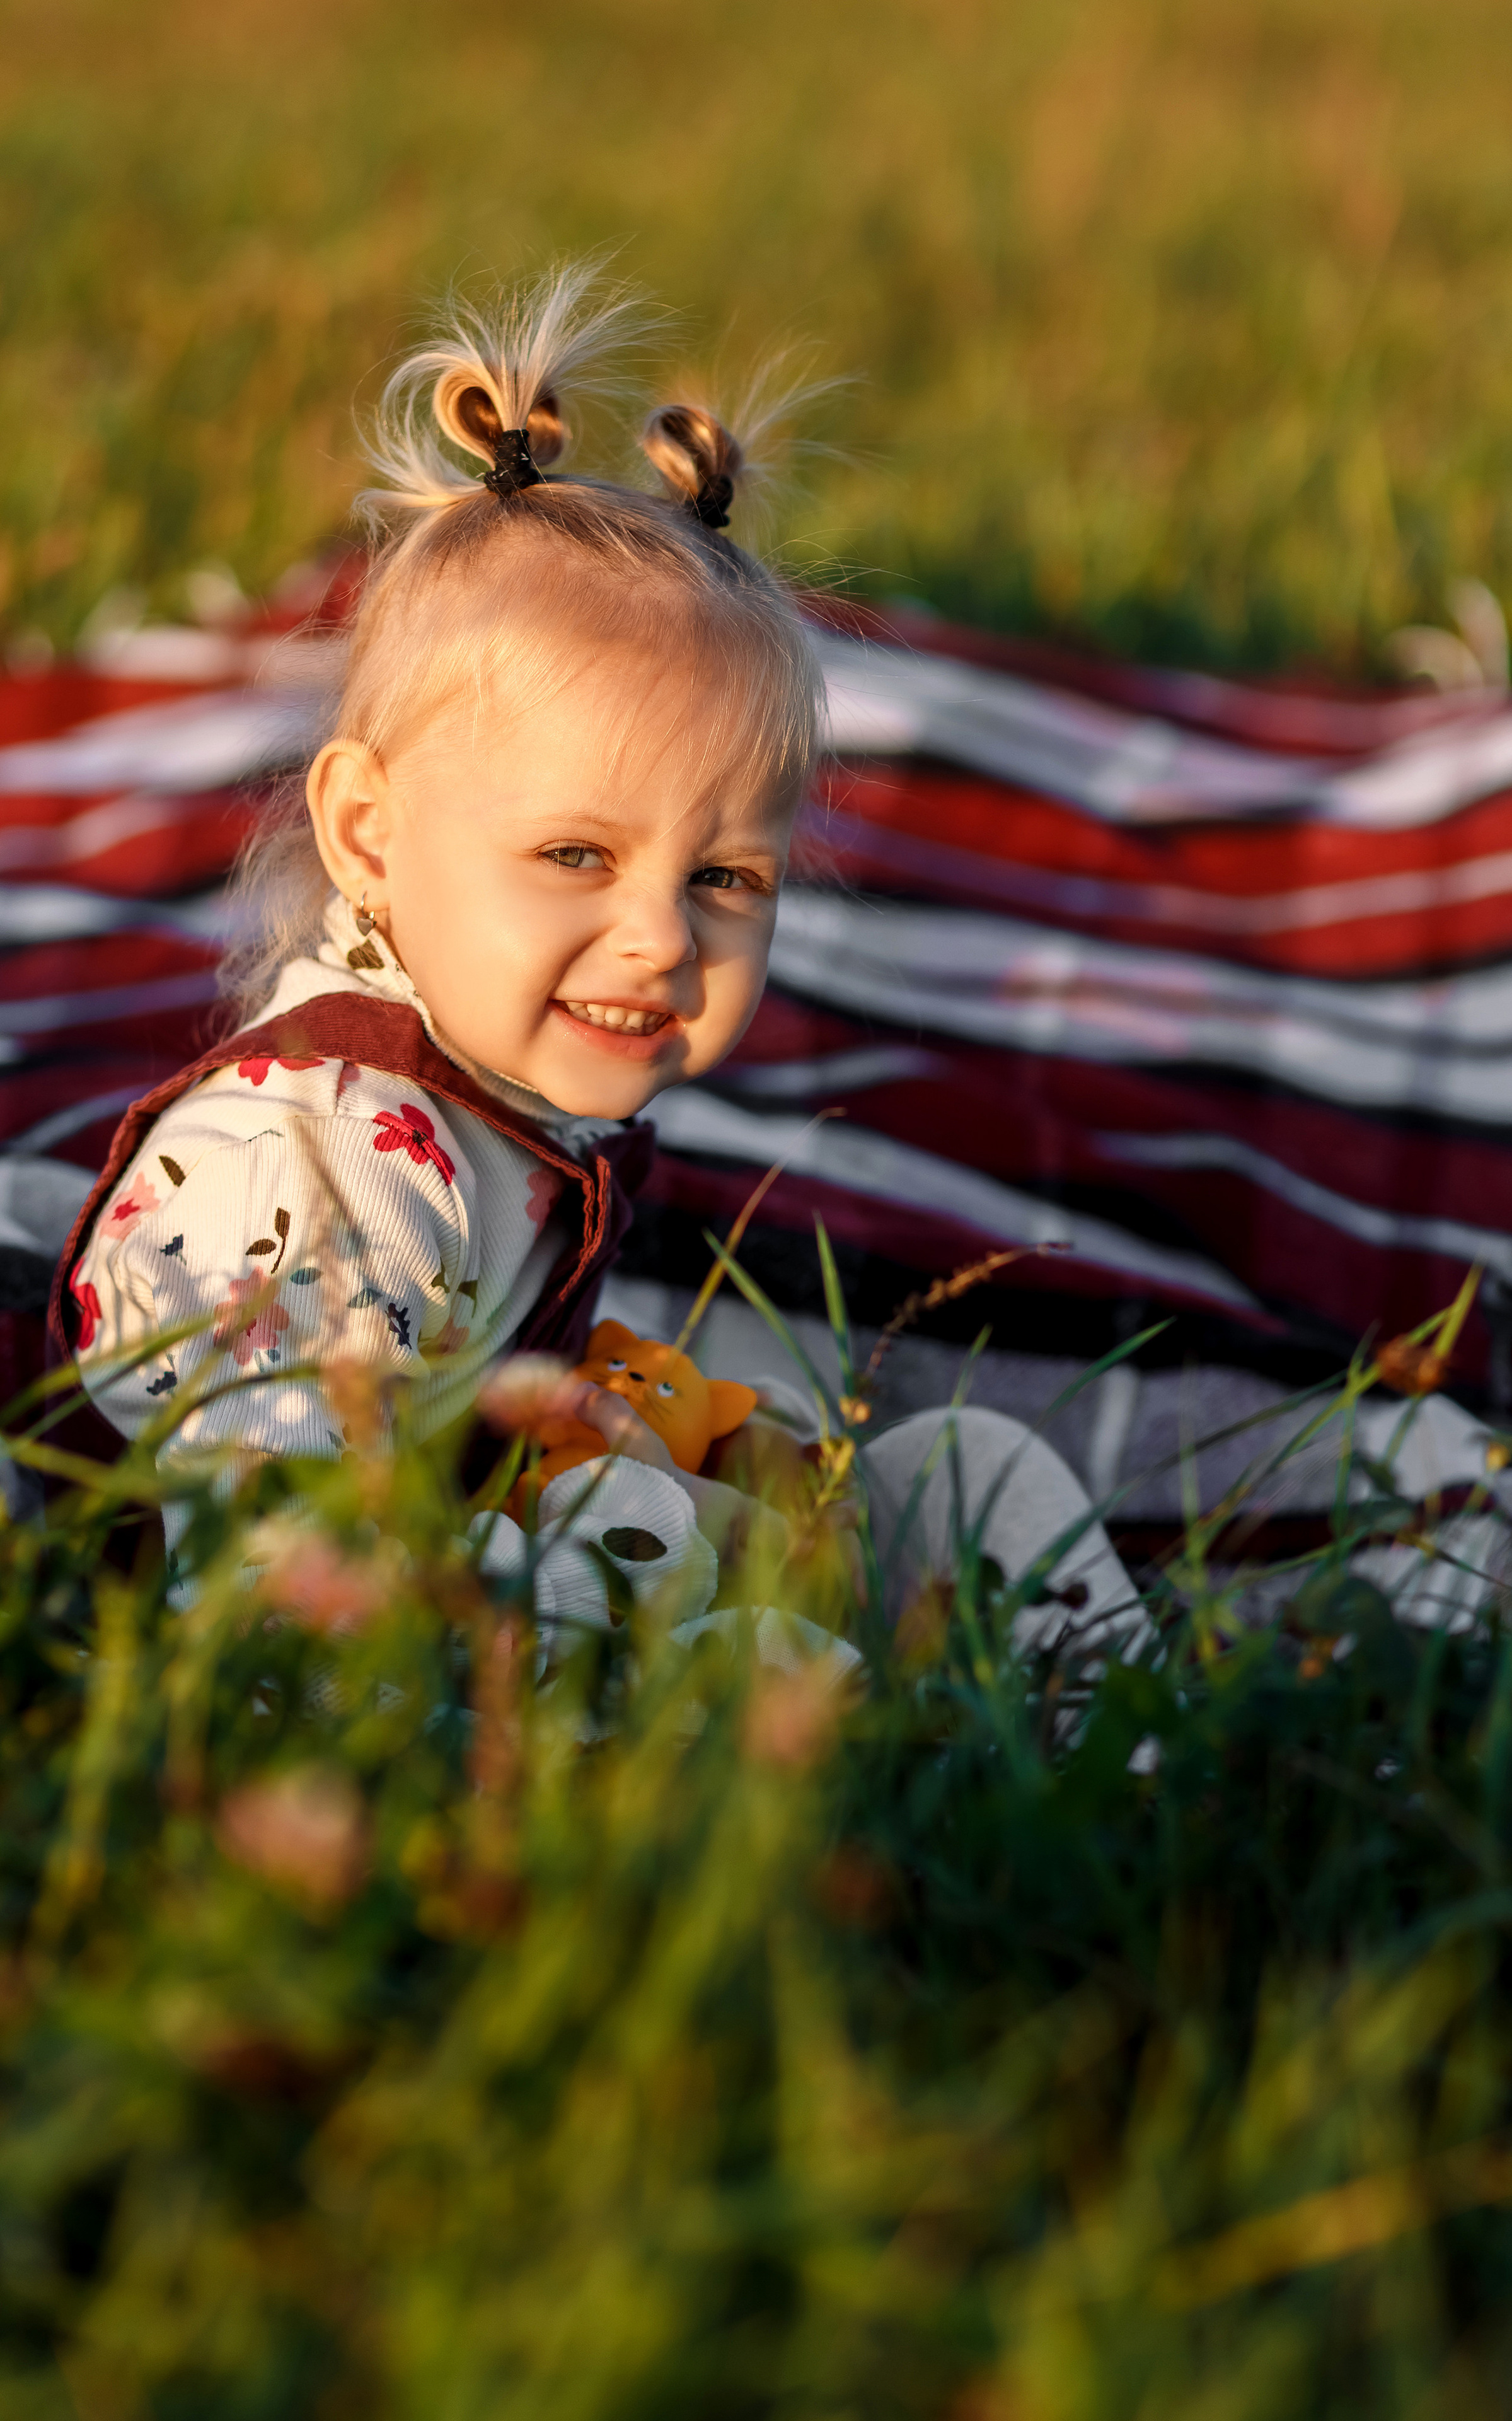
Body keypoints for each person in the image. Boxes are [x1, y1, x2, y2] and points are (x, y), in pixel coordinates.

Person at [54, 270, 1135, 1646]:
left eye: (726, 877)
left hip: (477, 1541)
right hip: (257, 1660)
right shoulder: (318, 1177)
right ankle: (951, 1766)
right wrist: (662, 1572)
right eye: (576, 856)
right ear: (367, 835)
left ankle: (1135, 1769)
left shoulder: (493, 1092)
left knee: (971, 1474)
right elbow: (289, 1617)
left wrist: (626, 1443)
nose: (662, 936)